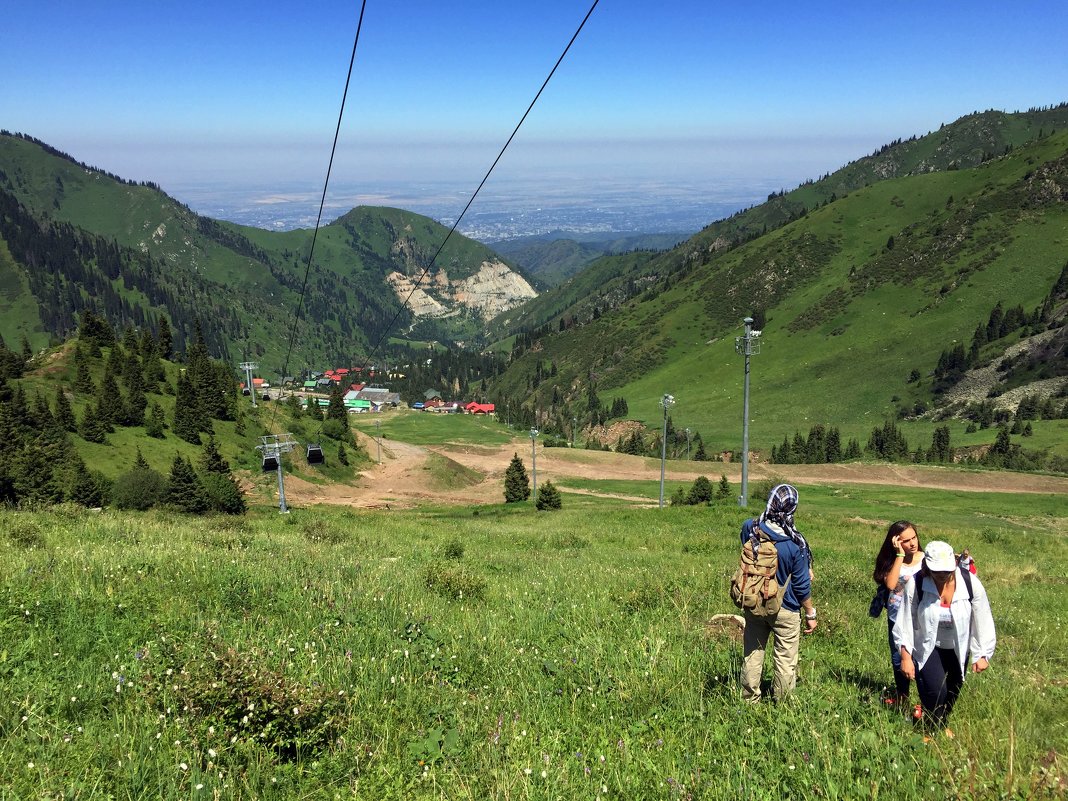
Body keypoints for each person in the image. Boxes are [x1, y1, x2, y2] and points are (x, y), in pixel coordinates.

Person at [893, 540, 996, 735]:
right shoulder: (917, 584)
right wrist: (906, 656)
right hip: (929, 646)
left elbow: (983, 617)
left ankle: (940, 722)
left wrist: (983, 654)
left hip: (959, 647)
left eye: (946, 572)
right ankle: (929, 730)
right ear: (927, 568)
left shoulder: (970, 583)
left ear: (954, 566)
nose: (941, 576)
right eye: (936, 572)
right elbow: (905, 619)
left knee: (953, 689)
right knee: (934, 691)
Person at [740, 483, 816, 702]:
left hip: (754, 602)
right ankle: (780, 705)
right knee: (784, 658)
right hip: (786, 608)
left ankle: (749, 700)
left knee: (752, 654)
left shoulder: (751, 527)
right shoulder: (794, 544)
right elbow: (802, 586)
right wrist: (810, 613)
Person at [872, 520, 924, 707]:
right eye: (906, 540)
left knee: (921, 656)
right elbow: (891, 584)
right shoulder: (891, 561)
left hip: (920, 618)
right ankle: (903, 697)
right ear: (895, 542)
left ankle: (925, 698)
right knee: (898, 658)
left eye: (914, 537)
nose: (912, 543)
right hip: (896, 616)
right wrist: (900, 556)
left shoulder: (926, 559)